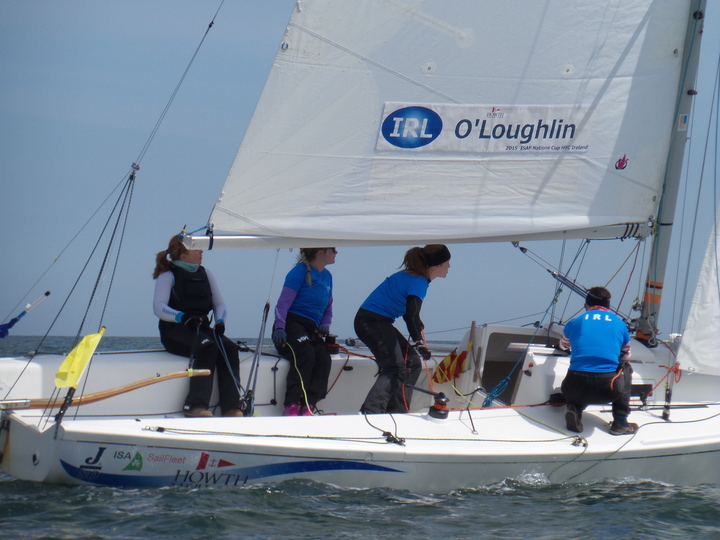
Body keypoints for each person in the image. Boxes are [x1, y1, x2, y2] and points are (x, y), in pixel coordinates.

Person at [152, 234, 243, 418]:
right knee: (207, 347)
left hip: (201, 328)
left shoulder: (206, 273)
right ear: (183, 255)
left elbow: (219, 304)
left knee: (229, 349)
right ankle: (195, 406)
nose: (201, 252)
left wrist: (220, 322)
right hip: (175, 330)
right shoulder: (168, 275)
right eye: (196, 249)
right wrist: (182, 317)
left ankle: (231, 408)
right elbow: (159, 307)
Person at [354, 244, 451, 414]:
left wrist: (417, 327)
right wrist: (418, 342)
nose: (449, 266)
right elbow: (411, 314)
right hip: (371, 321)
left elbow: (410, 314)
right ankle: (371, 411)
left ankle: (397, 411)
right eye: (447, 262)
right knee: (394, 367)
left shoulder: (414, 278)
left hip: (376, 321)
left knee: (412, 362)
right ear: (437, 265)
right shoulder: (419, 282)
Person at [559, 286, 636, 435]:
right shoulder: (619, 324)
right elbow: (626, 356)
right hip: (607, 390)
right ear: (608, 307)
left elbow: (563, 345)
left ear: (586, 305)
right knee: (626, 368)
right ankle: (620, 423)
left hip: (574, 388)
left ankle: (575, 408)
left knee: (577, 377)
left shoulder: (575, 322)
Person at [272, 247, 336, 416]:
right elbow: (282, 304)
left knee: (323, 358)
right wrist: (279, 327)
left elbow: (328, 309)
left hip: (311, 328)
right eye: (333, 249)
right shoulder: (299, 271)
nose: (336, 253)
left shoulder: (328, 277)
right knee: (306, 353)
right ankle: (291, 404)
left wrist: (325, 324)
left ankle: (309, 405)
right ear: (320, 252)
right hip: (291, 324)